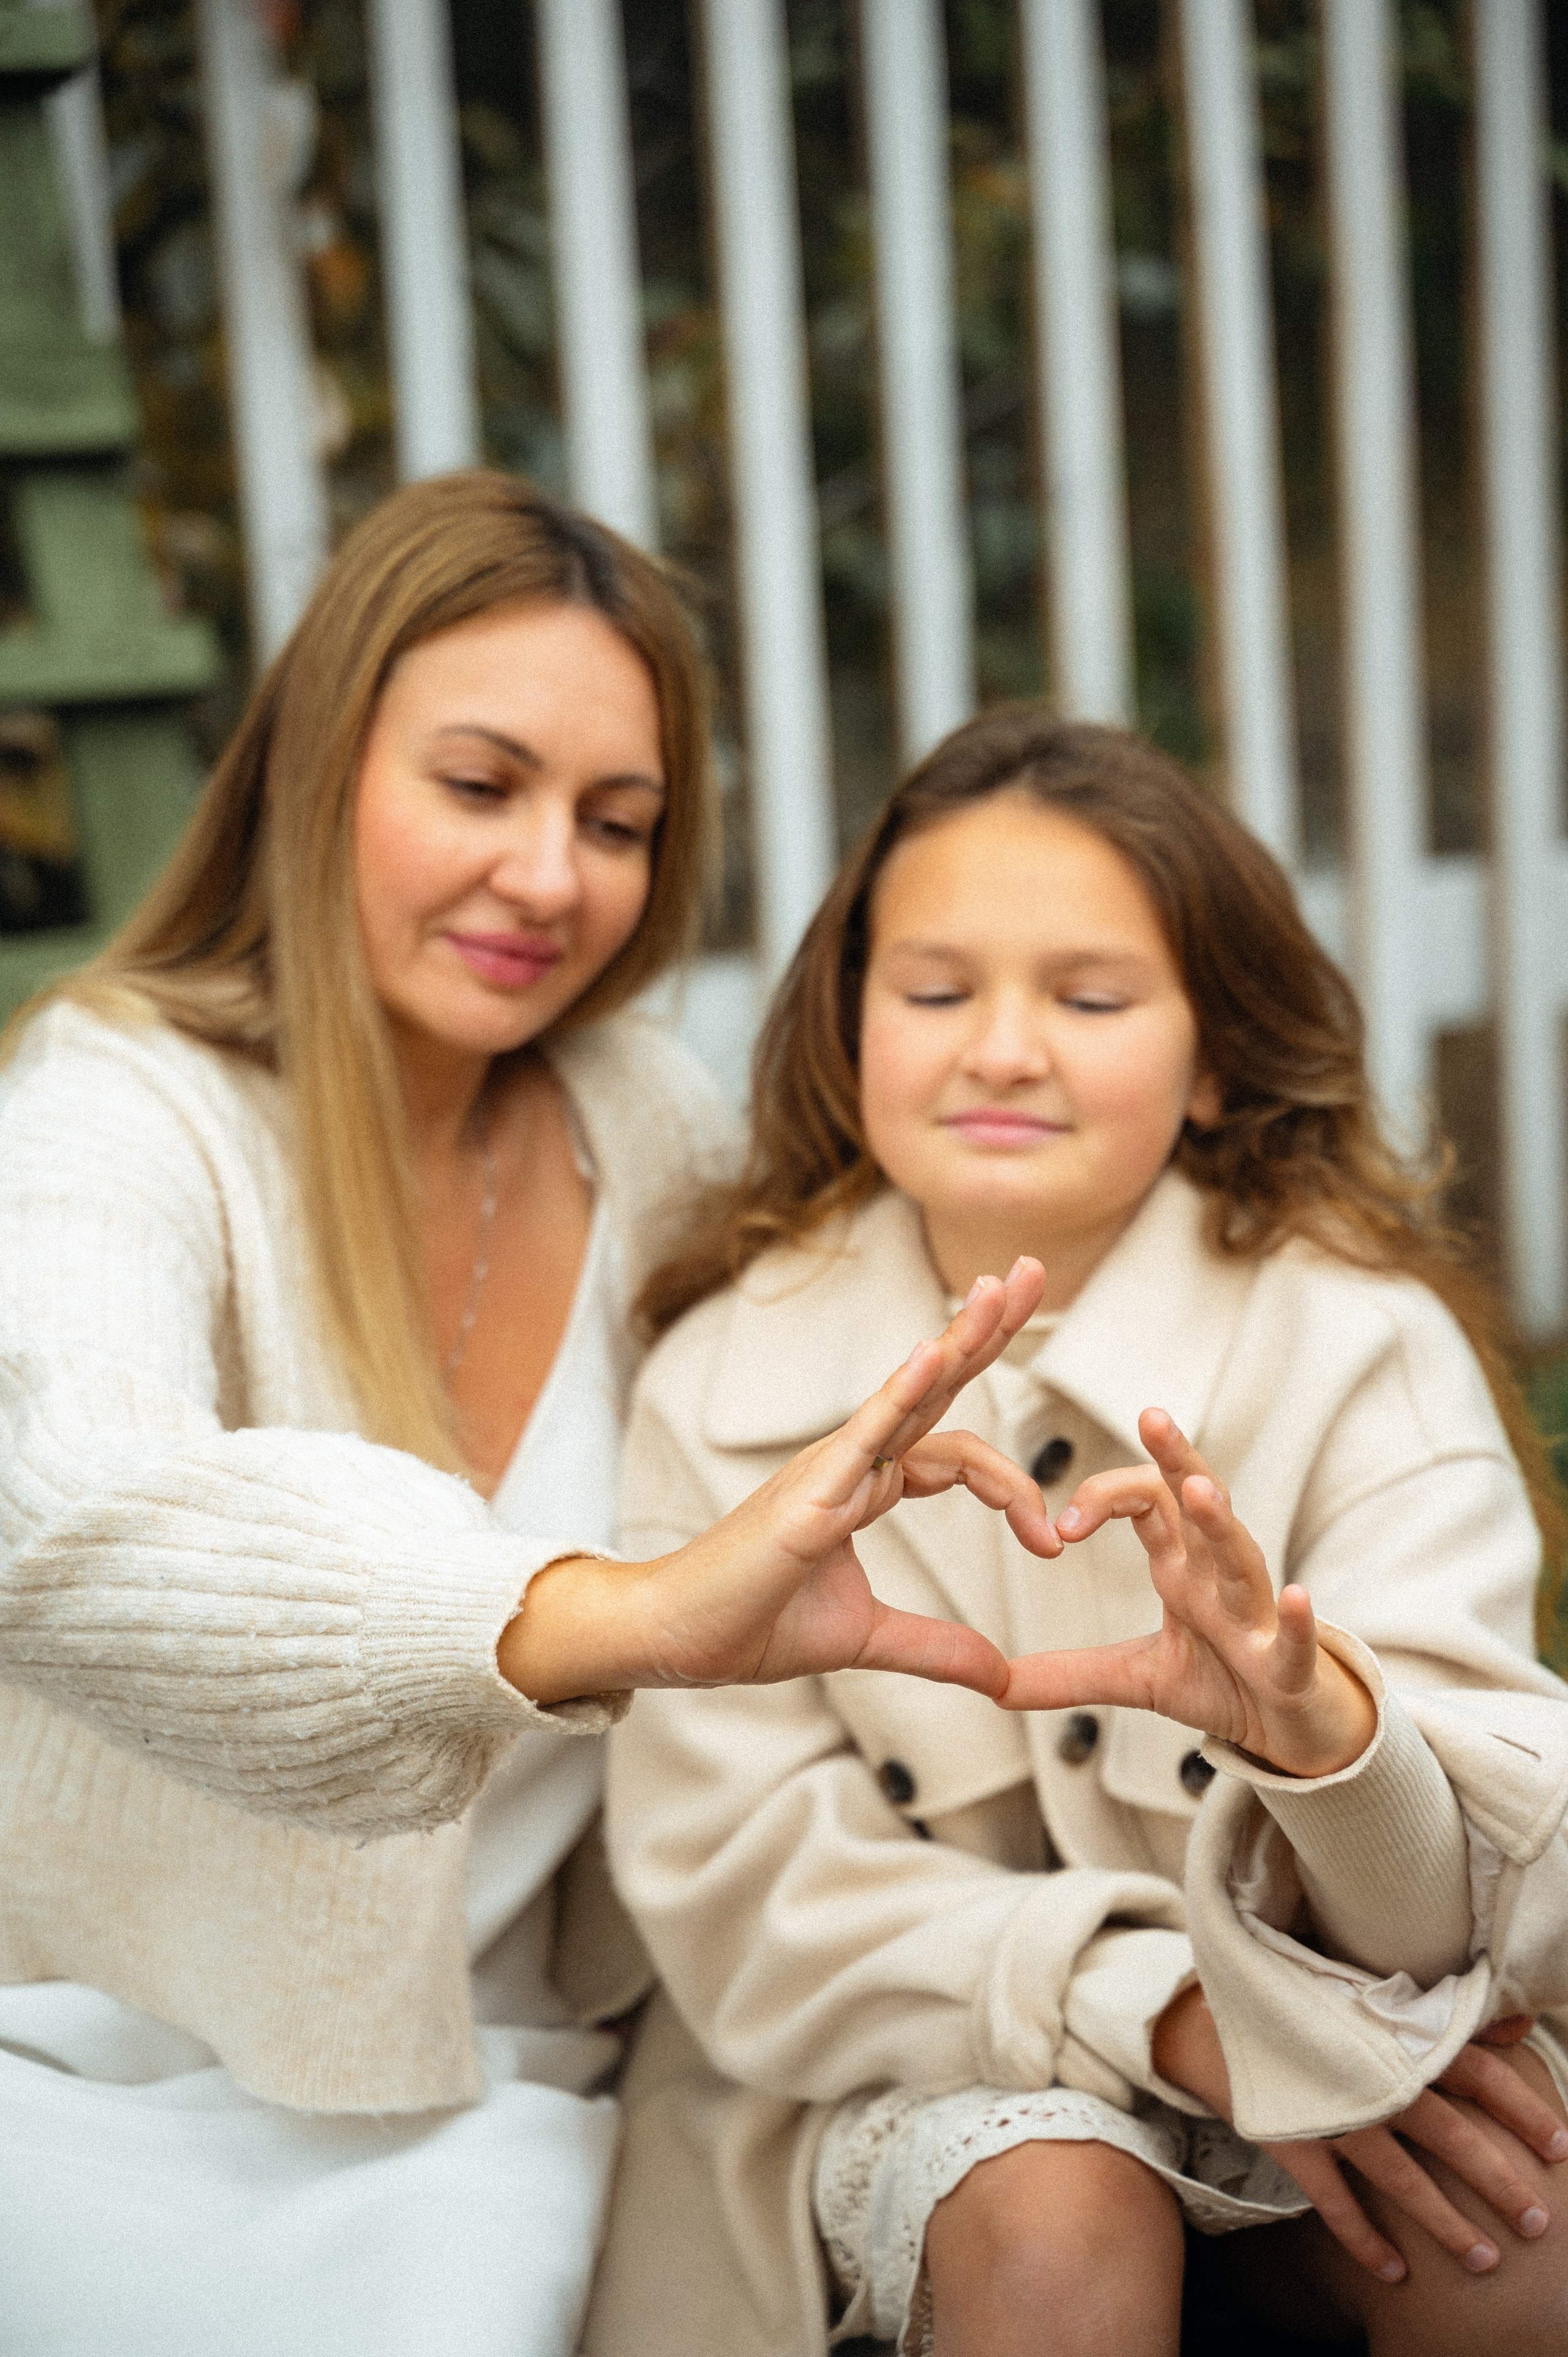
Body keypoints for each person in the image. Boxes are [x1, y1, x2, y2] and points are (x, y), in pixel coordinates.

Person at [0, 477, 1062, 2357]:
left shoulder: (651, 1131)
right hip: (102, 2087)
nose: (551, 877)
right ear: (322, 769)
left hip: (543, 2096)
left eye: (619, 821)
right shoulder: (123, 1103)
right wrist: (606, 1616)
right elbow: (69, 1506)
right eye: (480, 788)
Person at [593, 709, 1568, 2357]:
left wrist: (1334, 1747)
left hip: (1351, 2039)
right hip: (898, 2082)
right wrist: (1179, 2018)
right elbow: (747, 1890)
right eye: (936, 989)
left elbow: (1476, 1907)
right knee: (1057, 2206)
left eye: (1091, 997)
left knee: (1517, 2237)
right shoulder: (724, 1388)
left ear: (1214, 1062)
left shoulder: (1359, 1349)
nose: (1003, 1048)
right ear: (848, 1026)